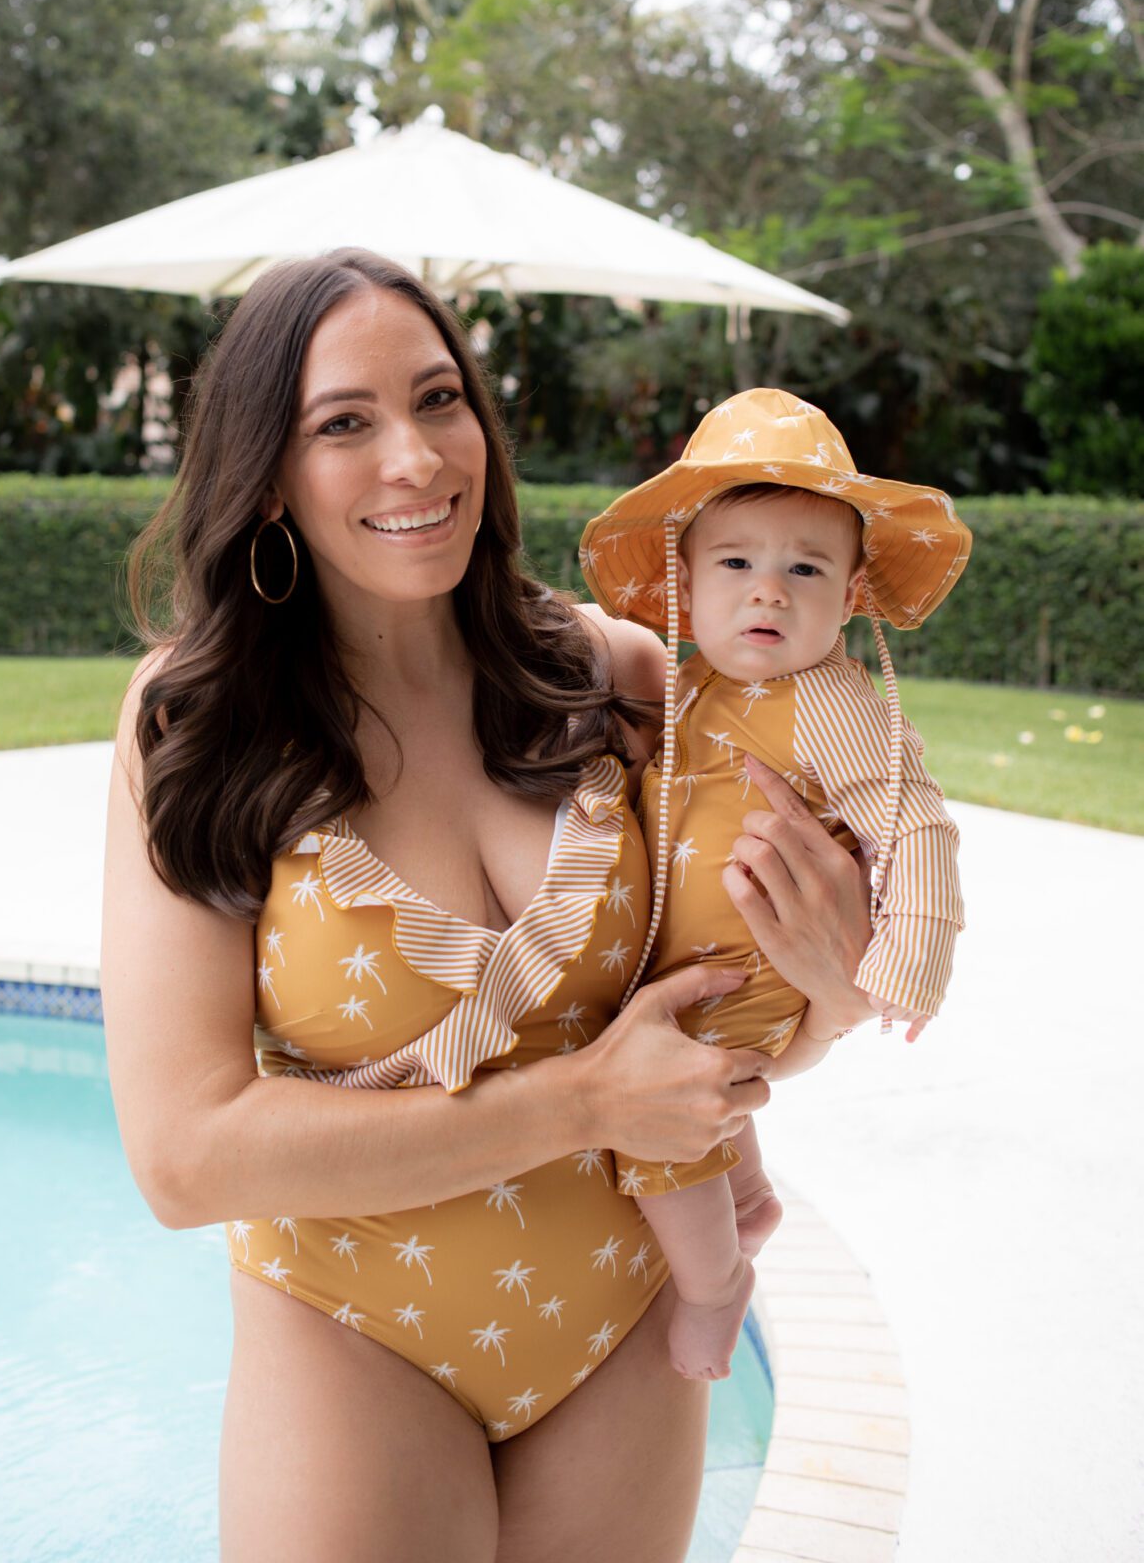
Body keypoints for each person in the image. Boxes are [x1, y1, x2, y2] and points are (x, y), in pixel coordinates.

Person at [100, 257, 878, 1563]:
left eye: (440, 398)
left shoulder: (616, 681)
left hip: (626, 1318)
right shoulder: (199, 723)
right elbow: (184, 1156)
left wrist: (834, 1000)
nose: (414, 457)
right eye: (343, 423)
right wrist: (581, 1104)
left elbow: (731, 1017)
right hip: (355, 1331)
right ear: (266, 474)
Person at [580, 386, 970, 1381]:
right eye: (737, 564)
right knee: (699, 1091)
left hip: (748, 969)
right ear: (687, 584)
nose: (768, 592)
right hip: (704, 963)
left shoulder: (826, 697)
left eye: (804, 568)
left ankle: (716, 1288)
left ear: (848, 598)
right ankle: (746, 1195)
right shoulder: (701, 681)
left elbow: (912, 816)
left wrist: (908, 954)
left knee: (662, 1128)